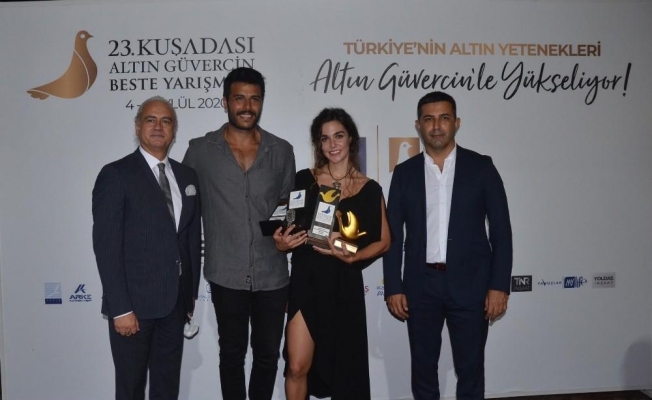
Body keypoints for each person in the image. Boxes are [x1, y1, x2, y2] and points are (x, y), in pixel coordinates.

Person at [383, 91, 512, 400]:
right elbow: (393, 236)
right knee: (423, 371)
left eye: (444, 118)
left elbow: (501, 232)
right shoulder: (404, 173)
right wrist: (394, 287)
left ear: (457, 122)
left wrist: (498, 286)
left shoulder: (482, 167)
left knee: (471, 371)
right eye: (429, 119)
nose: (437, 126)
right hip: (420, 286)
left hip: (471, 285)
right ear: (418, 126)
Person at [182, 67, 295, 400]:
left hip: (272, 272)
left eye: (254, 99)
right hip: (226, 272)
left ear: (261, 103)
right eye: (239, 98)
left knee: (267, 355)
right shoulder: (200, 150)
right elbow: (185, 210)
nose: (247, 106)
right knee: (231, 354)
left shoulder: (281, 150)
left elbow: (288, 206)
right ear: (225, 102)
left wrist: (285, 234)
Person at [276, 108, 390, 400]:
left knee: (346, 373)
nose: (332, 144)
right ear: (318, 144)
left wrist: (352, 256)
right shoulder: (305, 179)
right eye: (324, 139)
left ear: (350, 138)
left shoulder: (370, 189)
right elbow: (288, 225)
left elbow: (383, 242)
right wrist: (281, 243)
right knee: (296, 366)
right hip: (305, 281)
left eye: (338, 136)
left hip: (344, 285)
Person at [92, 96, 202, 400]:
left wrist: (190, 295)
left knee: (167, 390)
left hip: (175, 305)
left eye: (166, 121)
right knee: (130, 390)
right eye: (150, 119)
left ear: (174, 130)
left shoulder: (187, 176)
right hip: (133, 308)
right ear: (137, 125)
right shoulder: (116, 174)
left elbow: (190, 239)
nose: (158, 126)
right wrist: (121, 308)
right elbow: (106, 247)